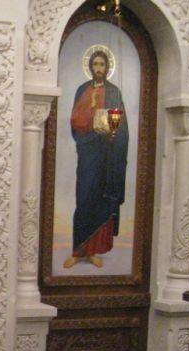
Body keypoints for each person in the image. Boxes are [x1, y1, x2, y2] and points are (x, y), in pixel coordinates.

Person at [63, 49, 128, 269]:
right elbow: (75, 121)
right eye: (95, 64)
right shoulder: (82, 90)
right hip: (87, 153)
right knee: (83, 199)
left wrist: (111, 131)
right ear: (90, 67)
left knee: (101, 199)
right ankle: (77, 250)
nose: (99, 68)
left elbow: (120, 126)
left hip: (107, 156)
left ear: (107, 67)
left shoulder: (114, 91)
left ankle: (92, 251)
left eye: (102, 64)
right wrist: (91, 126)